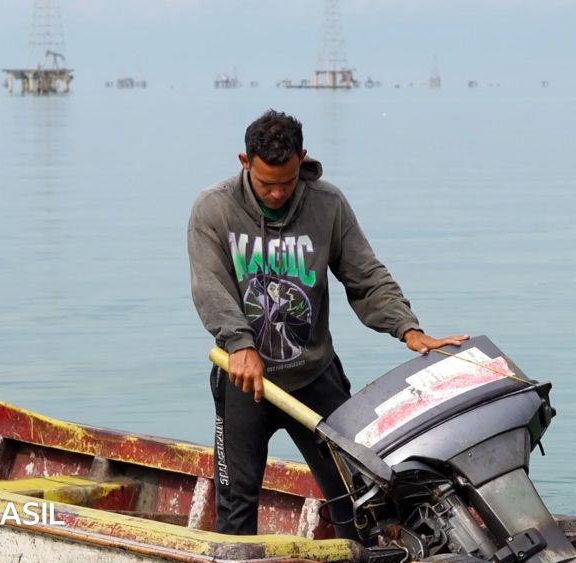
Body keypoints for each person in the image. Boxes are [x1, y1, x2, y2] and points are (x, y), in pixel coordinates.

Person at [187, 109, 467, 538]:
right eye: (266, 183)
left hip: (315, 377)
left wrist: (408, 329)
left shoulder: (328, 204)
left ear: (302, 159)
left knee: (358, 498)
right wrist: (239, 343)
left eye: (287, 182)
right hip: (244, 381)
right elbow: (210, 289)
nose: (277, 193)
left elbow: (366, 276)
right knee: (236, 505)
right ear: (244, 163)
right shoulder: (214, 208)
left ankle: (364, 562)